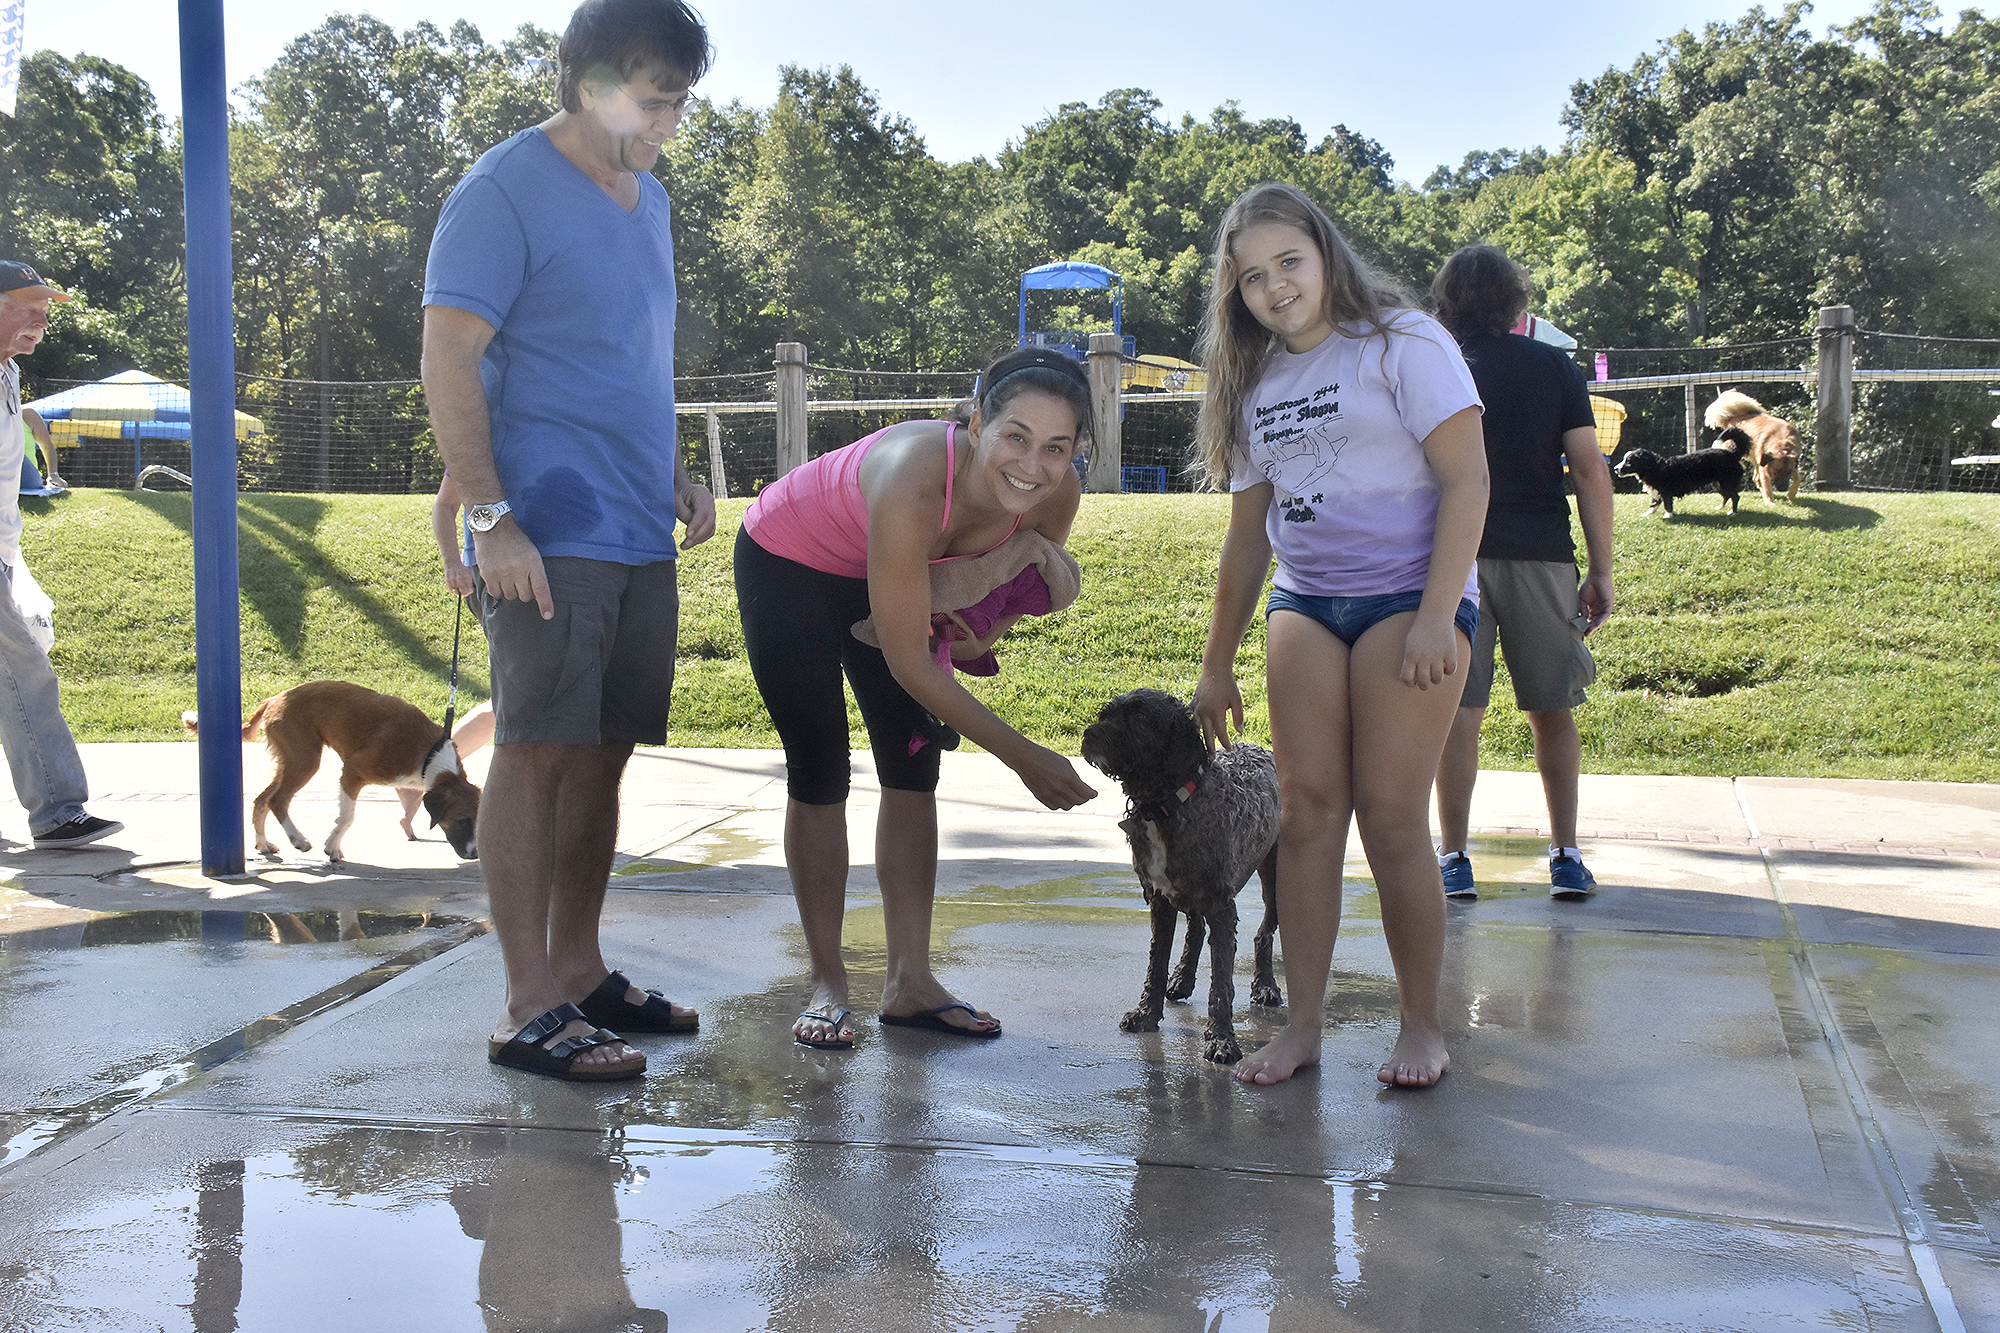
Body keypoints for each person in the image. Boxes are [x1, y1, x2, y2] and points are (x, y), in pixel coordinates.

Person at [421, 0, 714, 1082]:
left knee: (603, 753)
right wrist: (490, 519)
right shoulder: (502, 191)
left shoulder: (650, 204)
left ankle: (582, 972)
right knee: (536, 755)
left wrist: (676, 471)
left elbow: (631, 356)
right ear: (587, 82)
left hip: (637, 525)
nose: (671, 120)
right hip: (544, 524)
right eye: (654, 97)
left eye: (681, 98)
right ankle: (525, 1003)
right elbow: (448, 357)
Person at [1190, 184, 1487, 1088]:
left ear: (1324, 255)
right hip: (1308, 602)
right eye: (1252, 278)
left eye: (1289, 262)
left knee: (1394, 818)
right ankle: (1303, 1027)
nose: (1275, 287)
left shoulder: (1403, 343)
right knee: (1307, 814)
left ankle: (1422, 1026)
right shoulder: (1253, 384)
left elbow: (1469, 481)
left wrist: (1440, 612)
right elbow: (1248, 538)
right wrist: (1215, 661)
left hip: (1410, 597)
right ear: (1235, 296)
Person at [734, 346, 1099, 1051]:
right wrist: (1025, 757)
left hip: (902, 577)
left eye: (1057, 446)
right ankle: (828, 982)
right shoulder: (913, 475)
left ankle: (911, 982)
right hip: (792, 564)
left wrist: (977, 633)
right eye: (1015, 436)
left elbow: (1008, 584)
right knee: (820, 766)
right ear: (975, 422)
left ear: (1078, 448)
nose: (1033, 464)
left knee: (913, 764)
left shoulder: (1059, 493)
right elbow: (908, 663)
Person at [1429, 245, 1614, 901]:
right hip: (1543, 556)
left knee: (1459, 715)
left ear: (1445, 301)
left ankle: (1453, 859)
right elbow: (1590, 469)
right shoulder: (1553, 367)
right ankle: (1565, 854)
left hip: (1454, 560)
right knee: (1554, 710)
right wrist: (1601, 568)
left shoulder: (1439, 368)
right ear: (1516, 300)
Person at [0, 260, 123, 850]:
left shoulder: (8, 375)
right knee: (23, 675)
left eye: (46, 309)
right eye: (28, 305)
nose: (41, 320)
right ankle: (55, 811)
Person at [398, 473, 495, 839]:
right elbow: (445, 505)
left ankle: (424, 776)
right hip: (492, 573)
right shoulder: (478, 432)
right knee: (515, 700)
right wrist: (453, 561)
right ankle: (425, 777)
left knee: (510, 701)